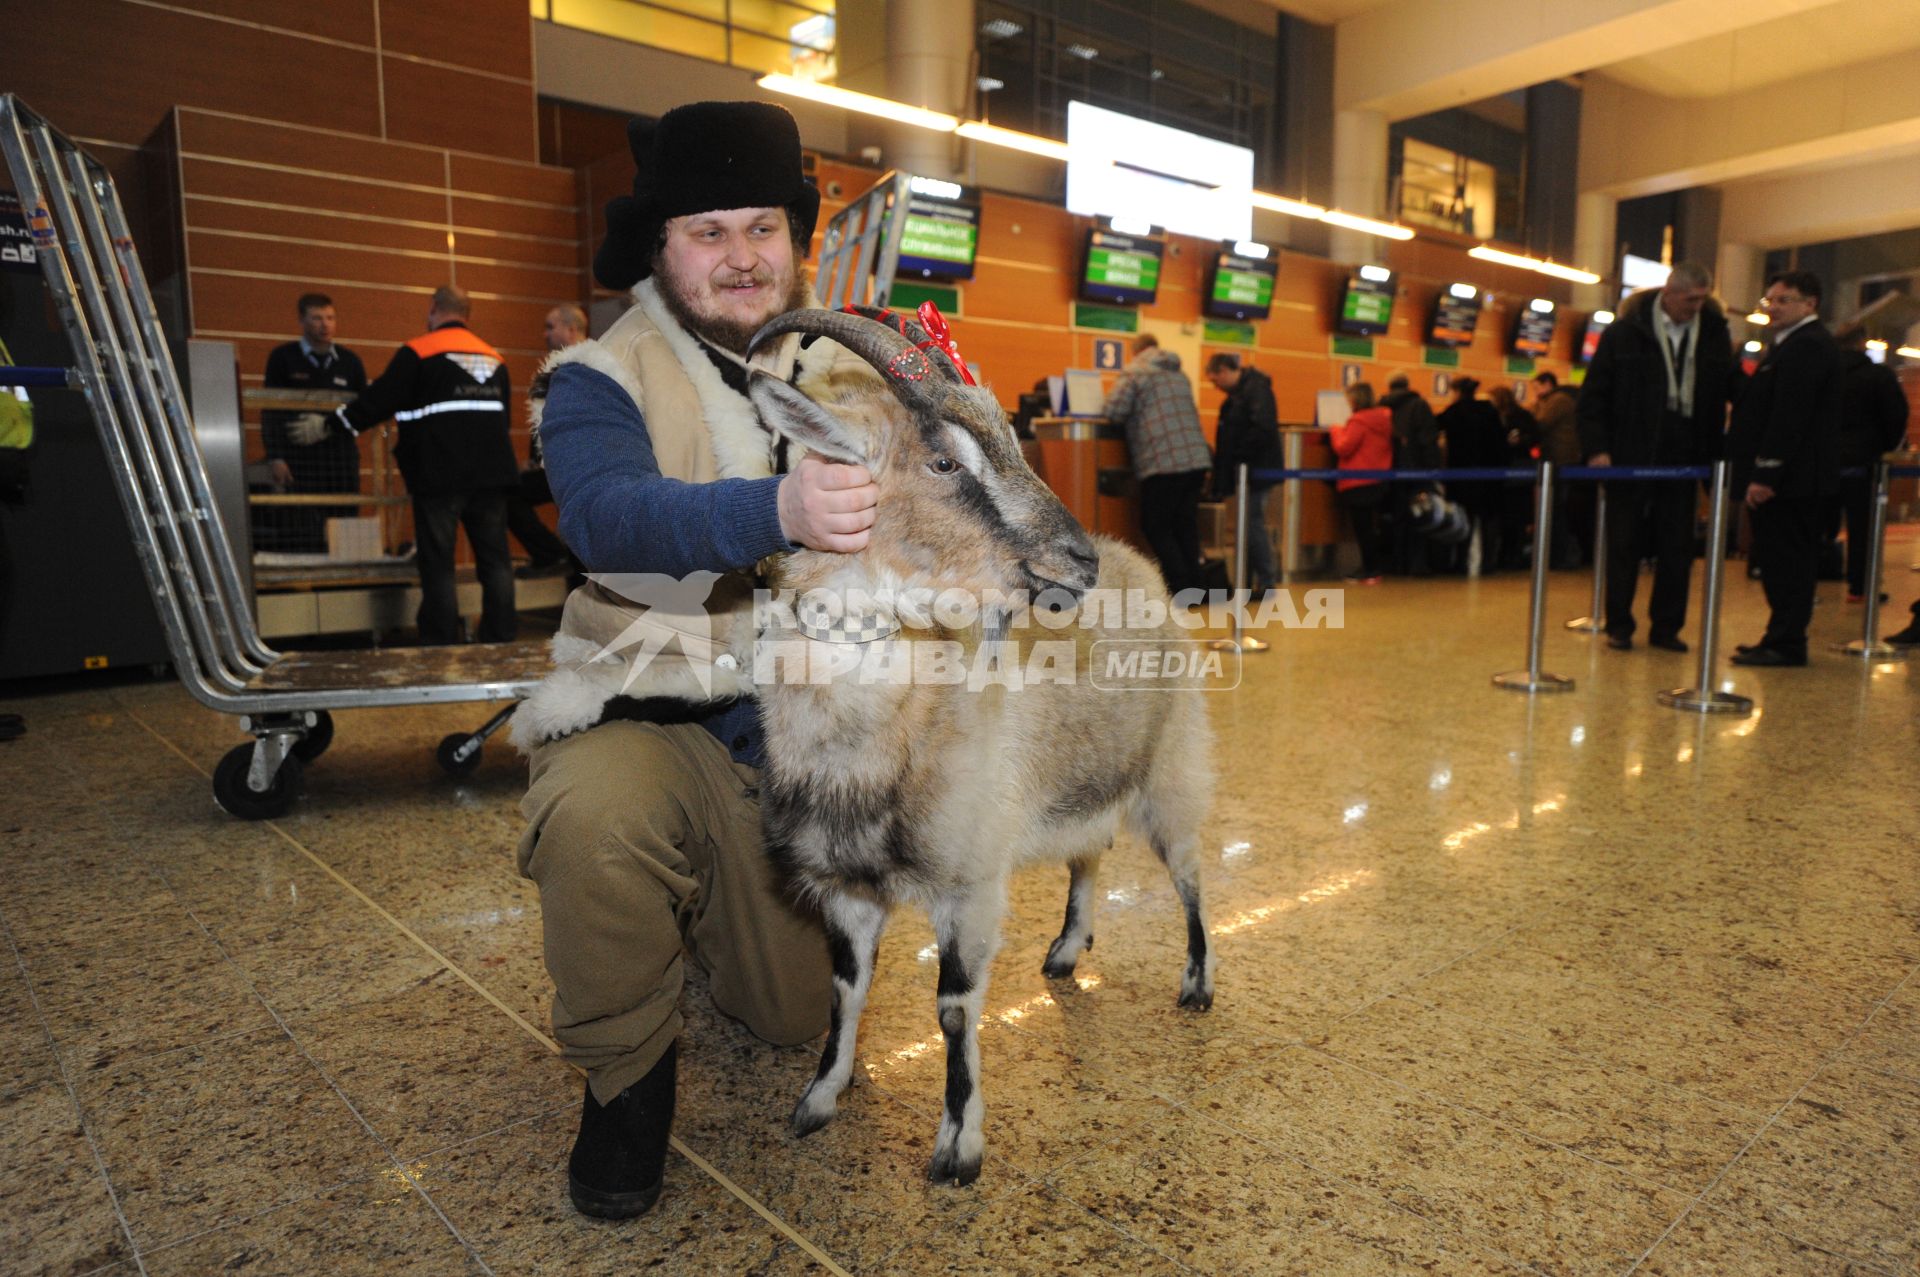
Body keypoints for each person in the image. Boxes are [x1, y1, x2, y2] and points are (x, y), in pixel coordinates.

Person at [512, 100, 883, 1222]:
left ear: (795, 237)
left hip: (796, 742)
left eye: (760, 226)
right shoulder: (598, 374)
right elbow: (607, 512)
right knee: (595, 813)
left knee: (786, 1019)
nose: (740, 257)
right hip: (648, 710)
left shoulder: (846, 365)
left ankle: (717, 929)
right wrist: (779, 504)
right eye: (707, 230)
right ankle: (626, 1073)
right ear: (660, 249)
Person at [334, 285, 518, 644]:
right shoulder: (494, 358)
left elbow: (381, 398)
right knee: (496, 562)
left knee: (439, 564)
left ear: (434, 308)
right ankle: (501, 637)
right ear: (467, 313)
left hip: (439, 474)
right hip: (492, 474)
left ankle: (441, 641)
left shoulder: (419, 350)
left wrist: (337, 423)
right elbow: (504, 417)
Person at [1576, 261, 1737, 651]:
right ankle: (1619, 625)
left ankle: (1667, 628)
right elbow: (1594, 396)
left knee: (1677, 545)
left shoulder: (1713, 335)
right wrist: (1597, 449)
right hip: (1632, 448)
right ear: (1668, 294)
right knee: (1623, 542)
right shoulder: (1625, 333)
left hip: (1686, 450)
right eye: (1689, 299)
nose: (1696, 307)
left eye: (1702, 299)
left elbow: (1730, 390)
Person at [1727, 270, 1843, 666]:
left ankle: (1787, 642)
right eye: (1770, 301)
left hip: (1791, 481)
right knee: (1778, 561)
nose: (1773, 308)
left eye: (1783, 300)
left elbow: (1790, 417)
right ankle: (1779, 635)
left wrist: (1765, 474)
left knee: (1788, 561)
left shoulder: (1807, 346)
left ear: (1809, 304)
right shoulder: (1789, 344)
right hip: (1790, 479)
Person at [1103, 332, 1213, 594]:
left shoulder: (1135, 371)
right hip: (1196, 459)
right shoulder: (1179, 374)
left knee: (1155, 524)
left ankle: (1180, 584)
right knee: (1185, 522)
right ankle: (1197, 585)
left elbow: (1113, 411)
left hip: (1163, 460)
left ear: (1137, 351)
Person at [261, 293, 367, 553]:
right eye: (317, 318)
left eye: (330, 318)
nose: (325, 325)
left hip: (340, 460)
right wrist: (275, 457)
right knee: (301, 527)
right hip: (298, 460)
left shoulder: (350, 362)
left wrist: (329, 425)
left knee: (343, 523)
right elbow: (270, 411)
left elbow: (363, 411)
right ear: (302, 320)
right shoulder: (282, 358)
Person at [1828, 324, 1909, 602]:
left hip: (1823, 459)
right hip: (1864, 461)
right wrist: (1884, 447)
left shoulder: (1823, 374)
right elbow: (1896, 416)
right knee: (1863, 527)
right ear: (1862, 342)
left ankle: (1811, 581)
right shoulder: (1878, 376)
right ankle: (1860, 587)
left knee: (1816, 524)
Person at [506, 305, 587, 579]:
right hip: (553, 466)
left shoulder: (586, 367)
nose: (545, 334)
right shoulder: (555, 368)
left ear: (572, 329)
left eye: (551, 327)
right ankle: (551, 554)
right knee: (509, 493)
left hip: (576, 468)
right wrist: (535, 459)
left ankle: (553, 556)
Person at [1205, 352, 1281, 592]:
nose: (1215, 387)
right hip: (1249, 469)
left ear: (1225, 371)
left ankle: (1267, 581)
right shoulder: (1244, 392)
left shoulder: (1255, 390)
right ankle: (1250, 580)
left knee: (1252, 523)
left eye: (1215, 380)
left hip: (1255, 469)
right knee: (1248, 524)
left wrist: (1239, 457)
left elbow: (1262, 427)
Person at [1438, 377, 1506, 573]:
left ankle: (1461, 562)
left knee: (1463, 521)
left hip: (1462, 476)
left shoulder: (1454, 412)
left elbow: (1435, 426)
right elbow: (1500, 444)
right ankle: (1488, 563)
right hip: (1489, 476)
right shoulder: (1490, 411)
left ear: (1457, 392)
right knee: (1488, 521)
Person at [1330, 381, 1394, 583]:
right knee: (1372, 527)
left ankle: (1370, 570)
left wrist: (1335, 430)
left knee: (1363, 528)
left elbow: (1343, 447)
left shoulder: (1358, 421)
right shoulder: (1385, 419)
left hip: (1358, 481)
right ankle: (1374, 568)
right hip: (1380, 478)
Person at [1381, 373, 1441, 574]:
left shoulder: (1382, 407)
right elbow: (1427, 439)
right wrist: (1433, 469)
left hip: (1390, 470)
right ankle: (1417, 564)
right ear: (1408, 386)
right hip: (1417, 470)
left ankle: (1396, 563)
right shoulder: (1419, 405)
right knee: (1419, 516)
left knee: (1396, 517)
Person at [1530, 370, 1586, 568]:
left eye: (1537, 387)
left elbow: (1540, 424)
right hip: (1566, 460)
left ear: (1547, 384)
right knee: (1561, 509)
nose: (1535, 393)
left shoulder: (1558, 400)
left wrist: (1536, 406)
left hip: (1560, 461)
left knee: (1558, 510)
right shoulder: (1564, 398)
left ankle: (1561, 555)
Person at [1487, 384, 1539, 570]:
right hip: (1521, 471)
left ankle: (1507, 555)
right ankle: (1513, 555)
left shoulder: (1503, 418)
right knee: (1518, 516)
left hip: (1511, 470)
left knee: (1509, 516)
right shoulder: (1523, 415)